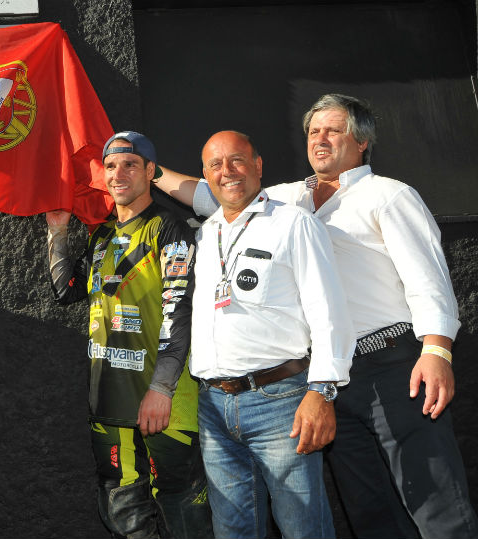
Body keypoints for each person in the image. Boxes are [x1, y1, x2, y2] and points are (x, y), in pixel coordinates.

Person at [154, 95, 478, 538]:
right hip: (327, 377)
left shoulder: (389, 195)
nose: (319, 139)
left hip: (395, 366)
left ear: (362, 141)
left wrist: (437, 350)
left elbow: (429, 278)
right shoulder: (285, 199)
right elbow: (214, 194)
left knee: (434, 500)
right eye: (312, 131)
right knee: (369, 509)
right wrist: (148, 170)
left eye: (332, 130)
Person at [46, 131, 211, 539]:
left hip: (163, 397)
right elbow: (66, 291)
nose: (119, 173)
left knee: (179, 500)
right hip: (109, 397)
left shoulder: (169, 228)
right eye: (111, 166)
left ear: (150, 171)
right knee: (120, 504)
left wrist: (162, 388)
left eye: (130, 164)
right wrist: (57, 232)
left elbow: (180, 312)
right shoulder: (101, 235)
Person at [189, 130, 353, 538]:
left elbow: (328, 311)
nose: (227, 172)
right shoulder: (206, 234)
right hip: (213, 407)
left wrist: (322, 392)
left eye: (237, 160)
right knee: (233, 531)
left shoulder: (294, 223)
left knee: (303, 529)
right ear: (205, 175)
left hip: (281, 403)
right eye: (215, 164)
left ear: (258, 166)